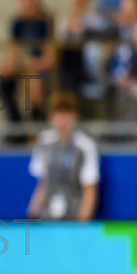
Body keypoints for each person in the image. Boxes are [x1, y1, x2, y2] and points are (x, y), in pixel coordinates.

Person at [26, 92, 99, 221]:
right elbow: (42, 184)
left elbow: (89, 189)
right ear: (50, 117)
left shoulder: (85, 146)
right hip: (47, 217)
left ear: (75, 116)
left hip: (73, 217)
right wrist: (32, 215)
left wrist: (82, 221)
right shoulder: (44, 142)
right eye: (59, 114)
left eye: (67, 114)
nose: (63, 120)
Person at [0, 0, 54, 132]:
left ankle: (39, 127)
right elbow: (13, 51)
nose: (25, 4)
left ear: (37, 0)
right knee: (3, 82)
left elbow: (50, 58)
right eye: (22, 0)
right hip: (25, 68)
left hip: (45, 70)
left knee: (33, 83)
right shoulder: (17, 23)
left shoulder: (47, 22)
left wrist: (29, 68)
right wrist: (7, 67)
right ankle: (16, 128)